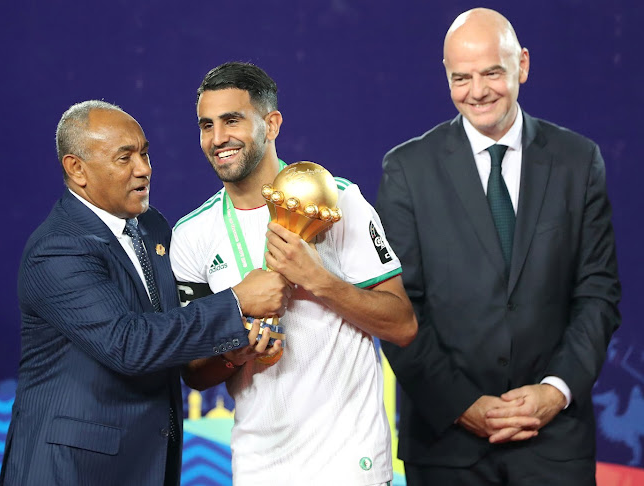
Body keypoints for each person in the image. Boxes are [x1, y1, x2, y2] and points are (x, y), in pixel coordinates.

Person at [375, 8, 621, 486]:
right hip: (447, 444)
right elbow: (398, 309)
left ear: (522, 65)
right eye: (460, 78)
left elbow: (598, 292)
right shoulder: (407, 170)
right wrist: (462, 405)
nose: (478, 91)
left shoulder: (577, 160)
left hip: (554, 443)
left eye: (492, 72)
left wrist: (555, 391)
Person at [0, 100, 292, 486]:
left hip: (147, 464)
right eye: (125, 158)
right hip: (71, 471)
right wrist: (237, 302)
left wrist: (231, 348)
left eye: (145, 153)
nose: (144, 169)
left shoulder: (150, 227)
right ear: (77, 169)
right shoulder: (58, 248)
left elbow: (168, 332)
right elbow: (128, 344)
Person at [170, 62, 418, 485]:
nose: (217, 139)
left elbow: (403, 325)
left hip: (351, 464)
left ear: (272, 123)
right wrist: (239, 348)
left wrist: (320, 280)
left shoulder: (339, 200)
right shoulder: (191, 235)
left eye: (232, 121)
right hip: (258, 467)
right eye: (206, 125)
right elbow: (194, 372)